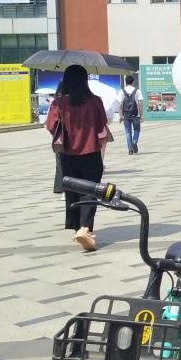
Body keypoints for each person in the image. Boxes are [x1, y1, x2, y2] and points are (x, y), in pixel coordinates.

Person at [46, 65, 110, 252]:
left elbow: (51, 126)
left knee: (72, 191)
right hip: (92, 153)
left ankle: (77, 229)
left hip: (67, 155)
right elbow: (102, 123)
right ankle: (85, 228)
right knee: (90, 191)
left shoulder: (59, 103)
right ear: (85, 80)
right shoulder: (95, 101)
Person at [116, 75, 143, 154]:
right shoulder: (137, 91)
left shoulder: (122, 91)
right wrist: (142, 115)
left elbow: (119, 104)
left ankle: (130, 150)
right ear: (133, 82)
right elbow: (140, 103)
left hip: (126, 115)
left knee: (128, 132)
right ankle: (135, 141)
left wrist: (120, 116)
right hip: (136, 114)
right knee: (137, 129)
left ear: (125, 82)